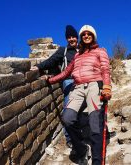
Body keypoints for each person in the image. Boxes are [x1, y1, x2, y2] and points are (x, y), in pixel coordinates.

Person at [43, 25, 112, 165]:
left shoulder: (100, 51)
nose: (86, 36)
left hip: (94, 86)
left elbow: (105, 69)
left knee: (95, 124)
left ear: (93, 36)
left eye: (89, 34)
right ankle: (82, 150)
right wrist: (50, 80)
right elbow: (66, 72)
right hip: (78, 87)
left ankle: (97, 161)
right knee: (67, 119)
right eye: (84, 34)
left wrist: (107, 87)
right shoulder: (77, 55)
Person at [30, 25, 78, 148]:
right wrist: (39, 67)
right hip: (69, 81)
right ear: (67, 39)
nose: (72, 39)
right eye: (69, 37)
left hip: (83, 81)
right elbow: (51, 61)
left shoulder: (82, 50)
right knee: (68, 109)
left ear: (77, 37)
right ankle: (70, 138)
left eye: (73, 36)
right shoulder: (63, 51)